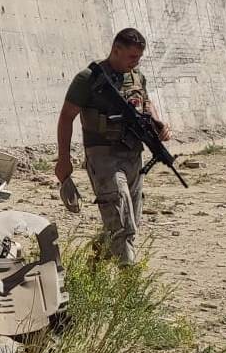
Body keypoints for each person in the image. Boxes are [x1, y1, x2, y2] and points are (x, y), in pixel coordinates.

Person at [54, 27, 171, 263]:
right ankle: (129, 277)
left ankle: (95, 261)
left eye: (139, 57)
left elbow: (146, 104)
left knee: (132, 220)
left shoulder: (136, 77)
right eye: (132, 56)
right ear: (116, 50)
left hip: (133, 156)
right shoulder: (88, 78)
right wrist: (63, 159)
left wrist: (158, 124)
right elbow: (66, 117)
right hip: (103, 157)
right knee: (121, 218)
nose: (136, 62)